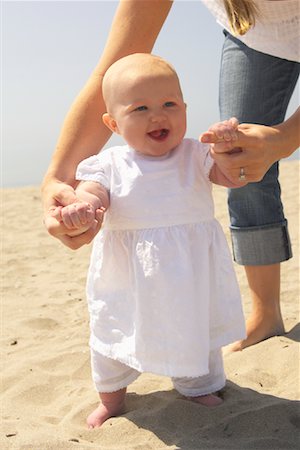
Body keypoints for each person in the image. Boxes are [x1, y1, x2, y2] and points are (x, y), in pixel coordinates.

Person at [42, 0, 300, 351]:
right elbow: (112, 73)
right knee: (243, 154)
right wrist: (58, 177)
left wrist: (285, 139)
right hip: (253, 31)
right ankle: (266, 312)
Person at [49, 53, 246, 428]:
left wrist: (227, 145)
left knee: (194, 327)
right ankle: (112, 397)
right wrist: (82, 208)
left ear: (185, 107)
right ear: (113, 123)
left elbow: (232, 176)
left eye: (170, 104)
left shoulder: (196, 153)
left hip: (189, 273)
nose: (158, 116)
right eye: (140, 107)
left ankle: (196, 385)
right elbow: (94, 193)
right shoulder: (109, 163)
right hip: (128, 277)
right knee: (115, 329)